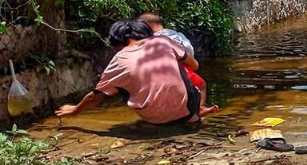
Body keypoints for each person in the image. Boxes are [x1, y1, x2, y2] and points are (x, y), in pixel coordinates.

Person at [55, 19, 216, 124]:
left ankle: (159, 116)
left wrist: (75, 110)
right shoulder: (162, 41)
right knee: (180, 66)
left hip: (153, 119)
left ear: (119, 43)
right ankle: (196, 113)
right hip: (188, 112)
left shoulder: (118, 60)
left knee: (117, 84)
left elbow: (95, 97)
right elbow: (194, 66)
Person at [138, 13, 216, 113]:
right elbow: (189, 50)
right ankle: (199, 108)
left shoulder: (143, 40)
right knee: (201, 85)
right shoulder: (175, 35)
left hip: (153, 72)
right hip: (179, 67)